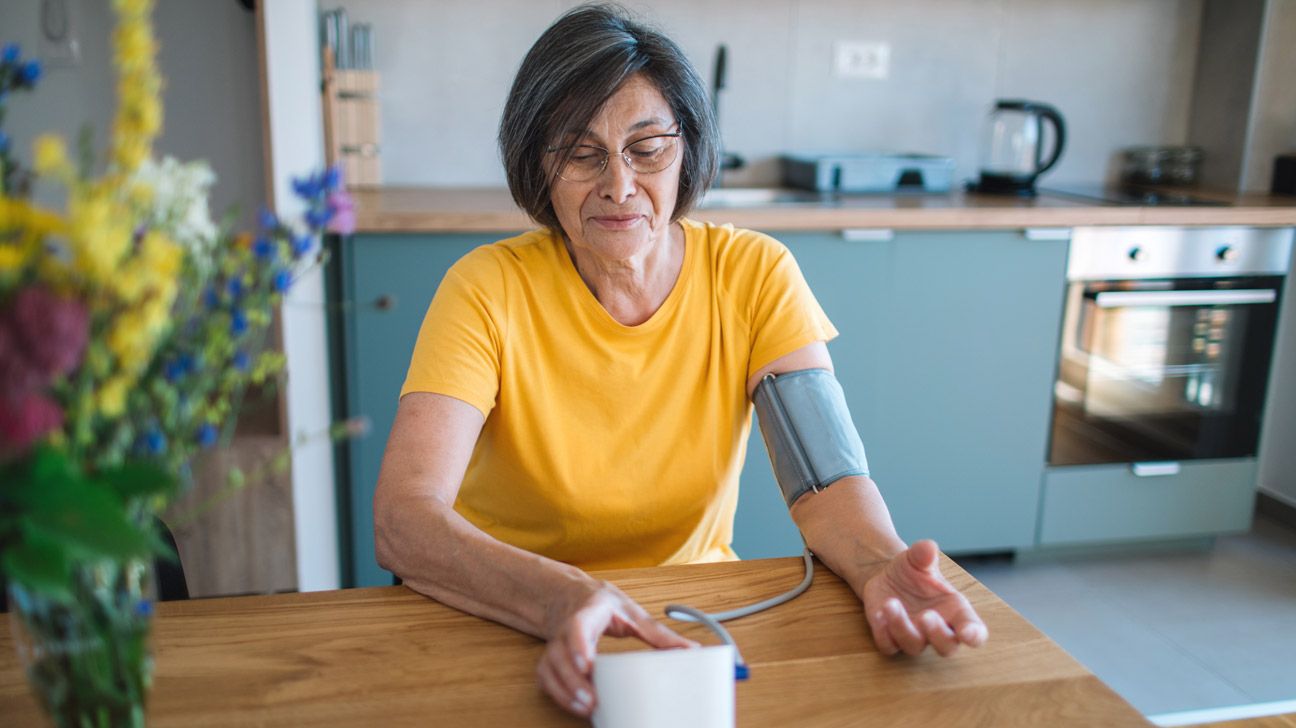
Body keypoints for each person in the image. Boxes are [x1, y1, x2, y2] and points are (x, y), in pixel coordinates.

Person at [373, 4, 987, 718]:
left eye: (647, 147)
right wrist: (563, 596)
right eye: (580, 152)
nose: (619, 185)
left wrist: (882, 564)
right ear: (536, 166)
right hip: (510, 608)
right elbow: (404, 519)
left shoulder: (755, 274)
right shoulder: (485, 289)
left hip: (685, 615)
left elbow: (825, 480)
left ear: (687, 149)